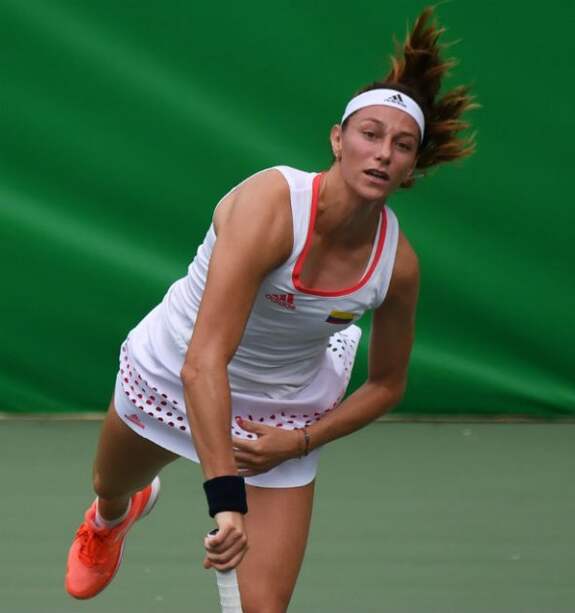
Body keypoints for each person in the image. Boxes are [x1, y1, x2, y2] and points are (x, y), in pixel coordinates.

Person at [64, 6, 476, 611]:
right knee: (110, 483)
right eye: (369, 134)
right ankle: (111, 519)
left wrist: (301, 442)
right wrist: (225, 500)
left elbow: (387, 385)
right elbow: (205, 362)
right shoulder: (271, 206)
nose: (383, 153)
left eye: (402, 144)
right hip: (181, 368)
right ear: (338, 140)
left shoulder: (398, 265)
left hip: (280, 417)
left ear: (413, 165)